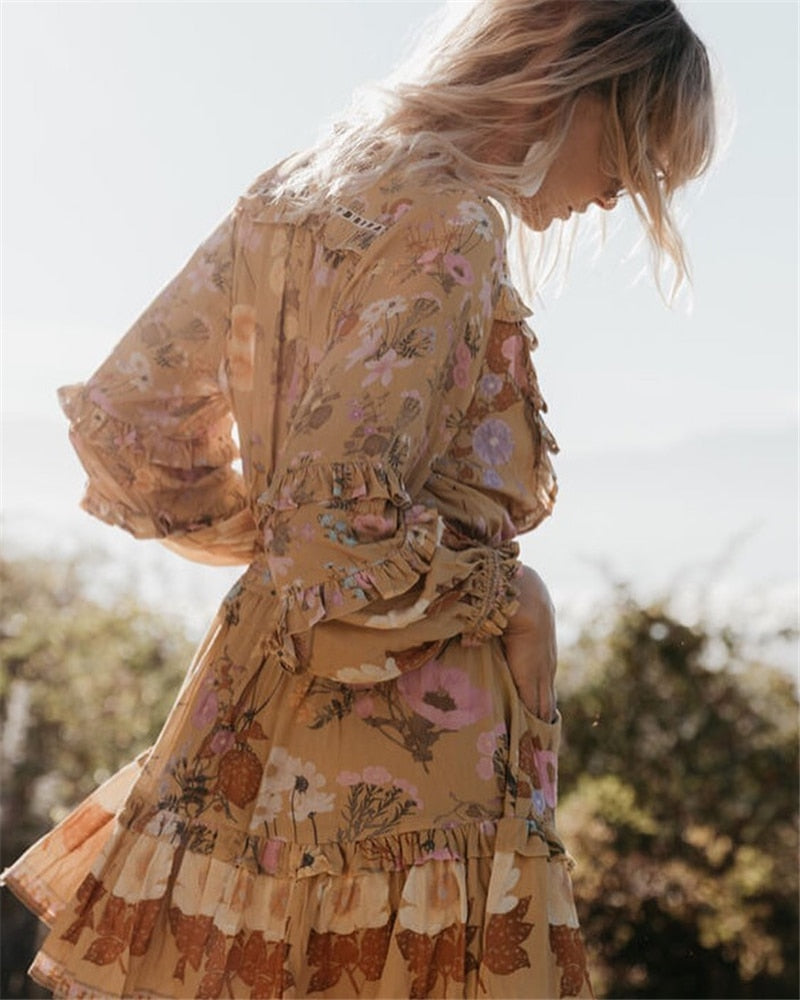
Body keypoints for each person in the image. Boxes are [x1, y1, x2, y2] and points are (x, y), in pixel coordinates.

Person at [2, 0, 715, 996]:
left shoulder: (296, 190)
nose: (619, 196)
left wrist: (277, 556)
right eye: (637, 156)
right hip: (404, 760)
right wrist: (508, 599)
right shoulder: (453, 223)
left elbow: (133, 416)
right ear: (568, 83)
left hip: (249, 708)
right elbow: (335, 523)